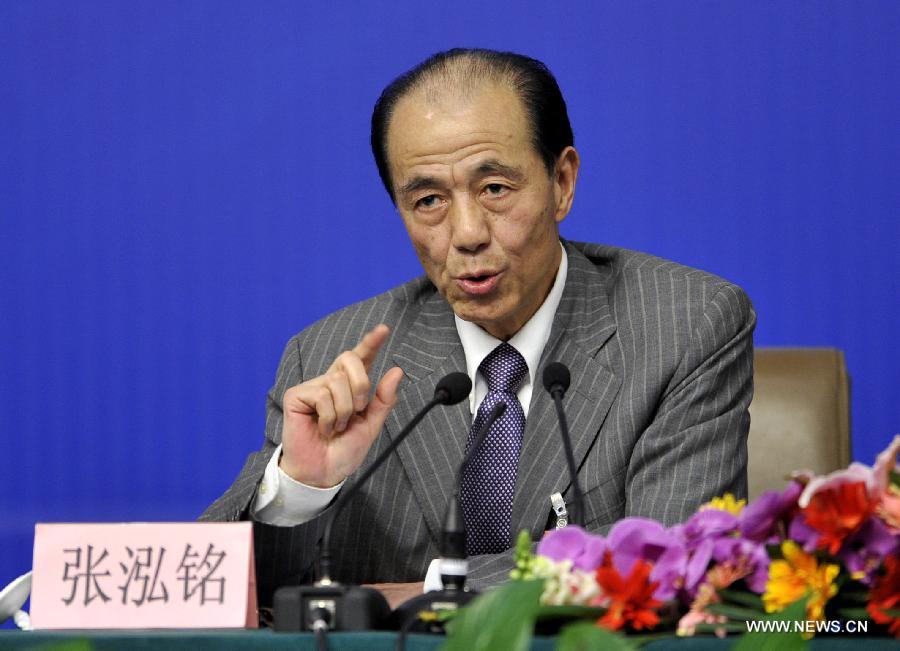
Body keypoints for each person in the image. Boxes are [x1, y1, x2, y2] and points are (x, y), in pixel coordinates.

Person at [201, 48, 755, 609]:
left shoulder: (683, 325)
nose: (466, 234)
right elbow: (228, 597)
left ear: (561, 181)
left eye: (494, 189)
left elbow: (674, 565)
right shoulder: (328, 357)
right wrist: (299, 487)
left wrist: (437, 594)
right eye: (429, 200)